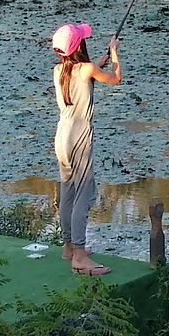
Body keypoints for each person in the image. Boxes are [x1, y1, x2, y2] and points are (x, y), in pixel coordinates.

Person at [51, 22, 121, 275]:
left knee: (68, 191)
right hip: (79, 135)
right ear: (80, 46)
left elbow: (81, 75)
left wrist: (96, 65)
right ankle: (79, 257)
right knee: (83, 194)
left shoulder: (59, 70)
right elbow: (116, 79)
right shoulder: (87, 69)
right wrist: (114, 53)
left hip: (61, 135)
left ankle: (68, 247)